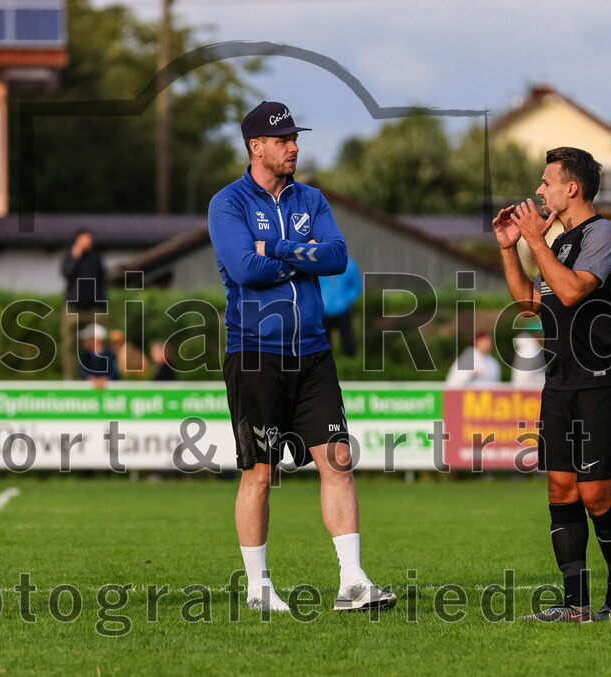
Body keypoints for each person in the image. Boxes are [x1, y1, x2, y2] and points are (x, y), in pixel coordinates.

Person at [208, 101, 395, 614]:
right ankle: (258, 588)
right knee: (260, 474)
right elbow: (245, 269)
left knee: (337, 460)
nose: (294, 146)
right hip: (254, 355)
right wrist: (298, 251)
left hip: (312, 353)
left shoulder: (310, 197)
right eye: (283, 139)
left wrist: (277, 248)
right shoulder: (228, 204)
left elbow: (336, 257)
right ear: (256, 147)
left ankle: (353, 582)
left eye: (295, 137)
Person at [493, 146, 611, 623]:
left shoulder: (606, 234)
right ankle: (575, 605)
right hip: (559, 384)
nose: (538, 190)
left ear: (571, 188)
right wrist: (509, 247)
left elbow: (574, 290)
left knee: (596, 494)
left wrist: (535, 239)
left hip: (604, 384)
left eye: (546, 181)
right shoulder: (555, 244)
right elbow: (530, 304)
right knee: (561, 490)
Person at [60, 229, 107, 380]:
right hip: (73, 307)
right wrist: (75, 256)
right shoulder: (69, 256)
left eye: (89, 239)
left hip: (93, 307)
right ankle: (70, 378)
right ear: (77, 240)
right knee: (69, 344)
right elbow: (66, 273)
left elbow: (101, 281)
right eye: (84, 239)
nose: (88, 242)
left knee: (96, 344)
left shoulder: (96, 258)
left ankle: (96, 375)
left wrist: (102, 304)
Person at [319, 256, 362, 357]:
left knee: (347, 340)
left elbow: (356, 285)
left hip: (343, 309)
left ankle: (350, 364)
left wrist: (349, 299)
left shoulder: (350, 264)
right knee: (324, 343)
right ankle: (325, 363)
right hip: (324, 310)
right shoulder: (319, 265)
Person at [511, 319, 546, 387]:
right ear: (537, 334)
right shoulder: (529, 351)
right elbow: (524, 377)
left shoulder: (532, 349)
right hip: (526, 392)